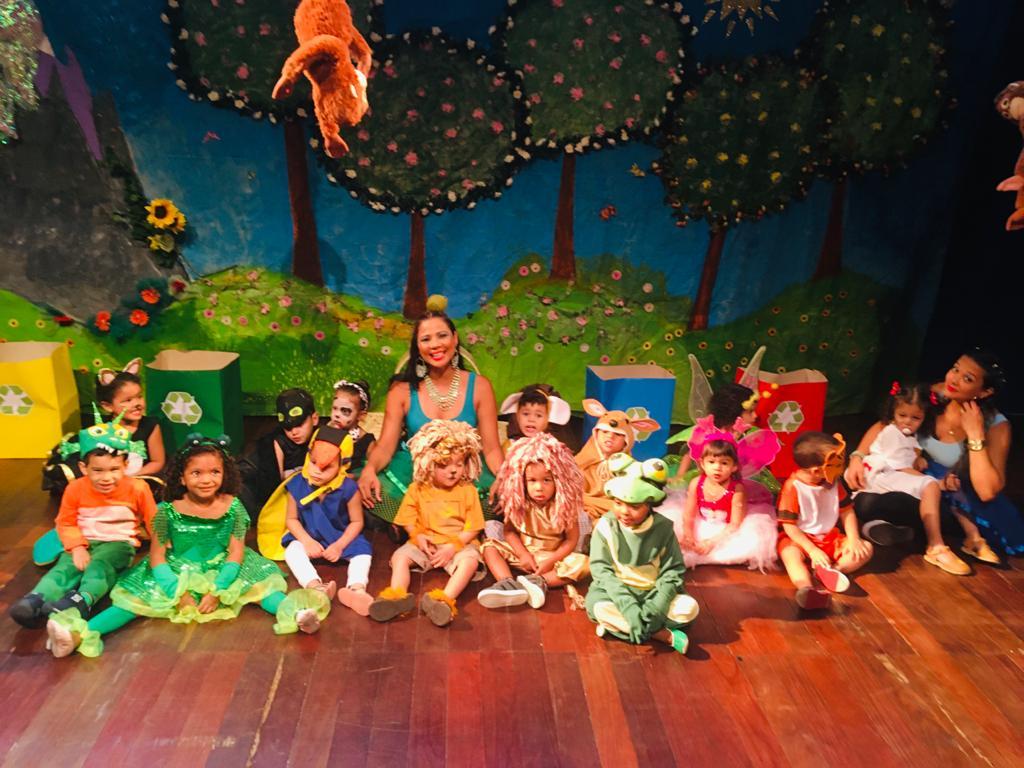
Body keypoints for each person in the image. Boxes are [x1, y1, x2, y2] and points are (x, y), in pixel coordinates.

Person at [44, 436, 330, 658]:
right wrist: (177, 593)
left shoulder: (234, 507)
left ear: (225, 473)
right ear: (181, 477)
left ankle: (296, 614)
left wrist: (218, 590)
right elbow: (157, 557)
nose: (206, 480)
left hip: (223, 566)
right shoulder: (166, 512)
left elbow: (236, 552)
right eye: (196, 473)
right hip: (177, 568)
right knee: (132, 602)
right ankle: (78, 634)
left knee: (262, 589)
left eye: (214, 472)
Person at [848, 349, 1023, 561]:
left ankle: (914, 532)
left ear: (985, 392)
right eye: (955, 369)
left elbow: (987, 492)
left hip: (958, 503)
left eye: (967, 378)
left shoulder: (996, 425)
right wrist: (857, 456)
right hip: (917, 482)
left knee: (872, 503)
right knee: (863, 497)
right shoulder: (935, 396)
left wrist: (975, 434)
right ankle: (895, 528)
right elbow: (885, 425)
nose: (954, 379)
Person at [356, 302, 503, 524]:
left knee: (505, 497)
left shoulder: (480, 386)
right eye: (426, 339)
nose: (435, 345)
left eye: (442, 336)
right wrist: (369, 469)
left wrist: (504, 477)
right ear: (417, 347)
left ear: (455, 338)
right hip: (415, 474)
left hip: (464, 474)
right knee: (366, 492)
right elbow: (385, 446)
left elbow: (491, 449)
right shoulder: (401, 391)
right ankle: (411, 526)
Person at [10, 414, 156, 629]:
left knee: (99, 566)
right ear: (83, 467)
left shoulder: (138, 488)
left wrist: (163, 547)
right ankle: (36, 598)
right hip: (84, 541)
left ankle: (82, 600)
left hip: (118, 543)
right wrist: (77, 547)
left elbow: (154, 519)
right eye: (98, 470)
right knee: (64, 567)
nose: (106, 478)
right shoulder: (75, 489)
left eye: (114, 469)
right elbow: (66, 522)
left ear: (125, 465)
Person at [36, 360, 166, 565]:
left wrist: (129, 477)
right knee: (78, 484)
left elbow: (158, 461)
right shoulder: (101, 431)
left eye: (139, 396)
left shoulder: (150, 425)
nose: (137, 403)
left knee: (157, 494)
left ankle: (132, 526)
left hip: (135, 480)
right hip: (103, 483)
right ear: (107, 406)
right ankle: (76, 527)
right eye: (127, 400)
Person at [367, 420, 485, 627]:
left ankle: (444, 600)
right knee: (399, 557)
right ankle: (397, 596)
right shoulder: (418, 488)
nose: (453, 471)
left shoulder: (468, 490)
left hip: (457, 544)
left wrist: (453, 547)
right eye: (444, 465)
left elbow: (474, 526)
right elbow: (408, 518)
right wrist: (417, 536)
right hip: (426, 542)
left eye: (459, 464)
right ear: (428, 463)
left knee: (470, 563)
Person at [585, 453, 698, 655]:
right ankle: (661, 635)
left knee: (689, 608)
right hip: (615, 593)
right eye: (618, 503)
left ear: (650, 503)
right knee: (599, 607)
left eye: (634, 506)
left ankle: (621, 627)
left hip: (653, 592)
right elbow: (601, 571)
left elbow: (672, 571)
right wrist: (628, 606)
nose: (624, 511)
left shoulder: (663, 528)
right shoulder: (605, 525)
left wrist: (656, 608)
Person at [855, 382, 969, 575]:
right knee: (930, 486)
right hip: (881, 477)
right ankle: (936, 546)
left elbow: (906, 459)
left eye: (915, 418)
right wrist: (938, 484)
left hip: (887, 477)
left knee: (924, 500)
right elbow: (900, 467)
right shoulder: (892, 433)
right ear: (893, 412)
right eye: (902, 415)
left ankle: (878, 527)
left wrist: (918, 458)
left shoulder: (907, 436)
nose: (908, 422)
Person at [477, 433, 589, 609]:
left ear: (559, 481)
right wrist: (523, 554)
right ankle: (507, 584)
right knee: (489, 546)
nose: (539, 488)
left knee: (583, 563)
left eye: (546, 480)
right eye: (532, 481)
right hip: (523, 555)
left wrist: (551, 561)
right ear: (521, 481)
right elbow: (509, 532)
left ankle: (539, 582)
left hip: (552, 559)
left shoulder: (564, 506)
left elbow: (571, 540)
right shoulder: (519, 502)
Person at [282, 425, 374, 615]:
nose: (316, 471)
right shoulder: (297, 484)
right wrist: (306, 541)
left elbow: (357, 522)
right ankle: (315, 587)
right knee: (291, 551)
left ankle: (356, 590)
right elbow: (291, 519)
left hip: (340, 537)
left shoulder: (348, 488)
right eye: (313, 462)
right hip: (310, 536)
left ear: (342, 465)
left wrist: (340, 545)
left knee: (363, 553)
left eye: (326, 467)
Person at [777, 432, 873, 610]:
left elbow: (847, 512)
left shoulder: (834, 483)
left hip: (830, 539)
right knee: (790, 555)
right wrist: (812, 550)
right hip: (800, 540)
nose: (840, 468)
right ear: (816, 471)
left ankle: (833, 571)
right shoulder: (793, 487)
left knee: (866, 548)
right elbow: (789, 526)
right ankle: (806, 588)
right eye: (835, 464)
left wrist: (854, 539)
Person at [675, 427, 778, 572]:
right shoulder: (696, 483)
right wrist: (688, 536)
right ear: (702, 463)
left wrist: (712, 542)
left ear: (734, 466)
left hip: (727, 530)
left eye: (724, 463)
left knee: (747, 545)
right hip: (701, 524)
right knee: (676, 537)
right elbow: (688, 515)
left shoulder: (737, 489)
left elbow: (735, 524)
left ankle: (710, 556)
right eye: (711, 462)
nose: (717, 468)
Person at [239, 388, 319, 515]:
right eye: (288, 428)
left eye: (299, 425)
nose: (294, 432)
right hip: (253, 489)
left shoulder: (321, 436)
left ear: (314, 419)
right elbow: (271, 487)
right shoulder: (276, 443)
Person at [499, 383, 573, 446]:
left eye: (538, 415)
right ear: (517, 416)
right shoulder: (510, 446)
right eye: (526, 414)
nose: (531, 419)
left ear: (549, 418)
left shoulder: (553, 448)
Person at [327, 378, 376, 473]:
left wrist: (356, 476)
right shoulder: (325, 430)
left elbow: (374, 468)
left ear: (361, 415)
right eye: (335, 408)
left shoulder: (366, 441)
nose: (337, 414)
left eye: (345, 411)